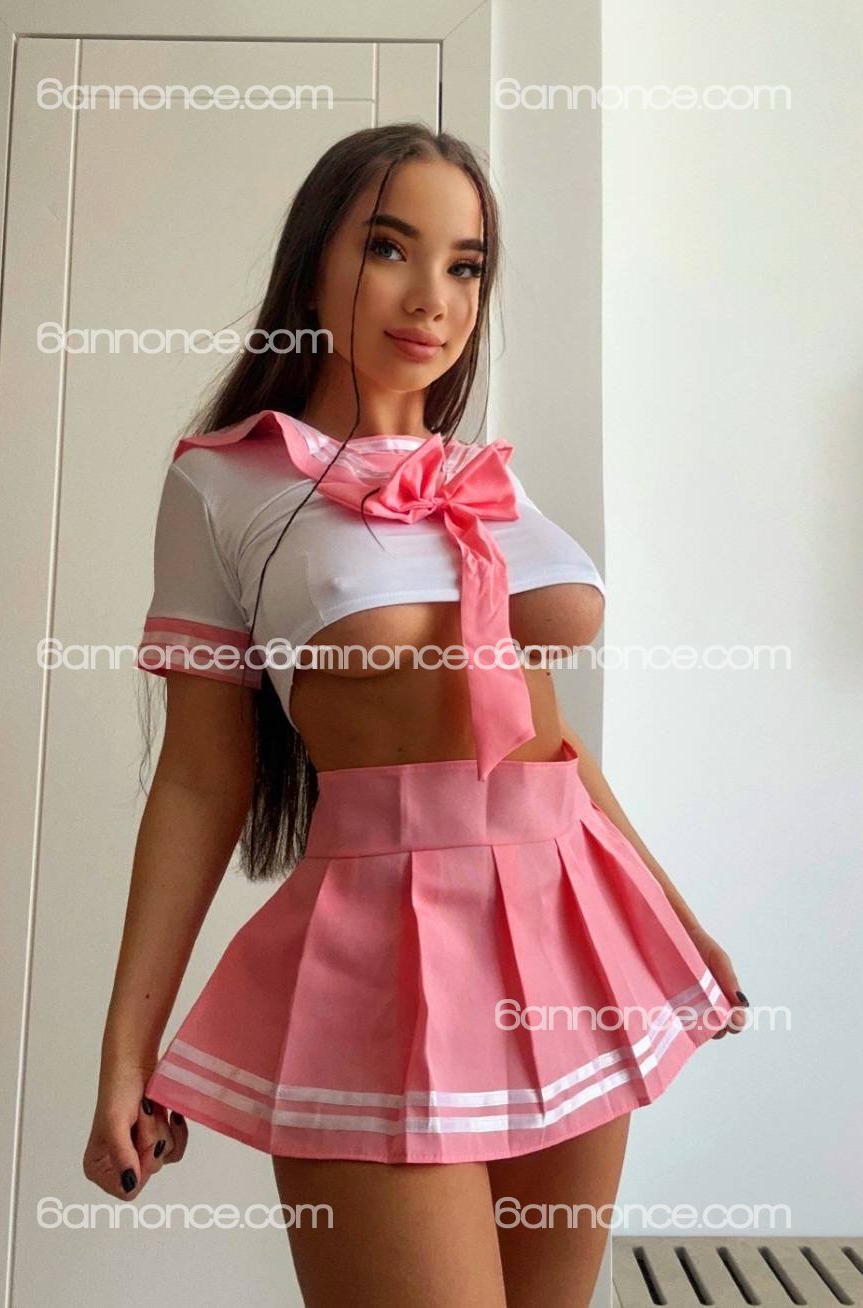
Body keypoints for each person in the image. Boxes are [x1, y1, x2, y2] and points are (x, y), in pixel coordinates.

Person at [83, 123, 748, 1308]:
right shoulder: (224, 482)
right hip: (382, 955)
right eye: (390, 248)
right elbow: (199, 778)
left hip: (572, 927)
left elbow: (546, 740)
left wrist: (676, 917)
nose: (433, 297)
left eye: (465, 264)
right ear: (313, 267)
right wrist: (126, 1053)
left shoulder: (487, 478)